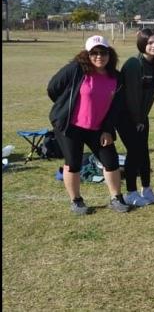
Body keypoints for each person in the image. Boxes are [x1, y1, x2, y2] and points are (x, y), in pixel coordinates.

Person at [47, 35, 129, 214]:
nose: (99, 56)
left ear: (110, 54)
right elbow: (53, 88)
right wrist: (65, 105)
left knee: (111, 161)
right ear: (87, 54)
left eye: (103, 52)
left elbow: (116, 107)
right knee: (73, 162)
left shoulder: (116, 77)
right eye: (94, 53)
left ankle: (116, 198)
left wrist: (107, 129)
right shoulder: (76, 69)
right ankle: (76, 201)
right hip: (71, 126)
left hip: (98, 128)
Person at [117, 29, 154, 206]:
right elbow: (131, 97)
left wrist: (142, 118)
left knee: (143, 152)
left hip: (140, 117)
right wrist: (137, 120)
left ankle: (146, 188)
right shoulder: (133, 64)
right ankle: (130, 192)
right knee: (134, 152)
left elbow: (149, 96)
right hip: (126, 117)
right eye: (150, 43)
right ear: (142, 44)